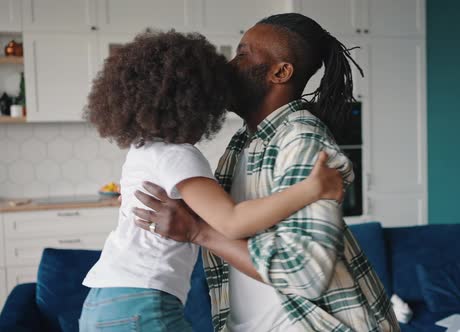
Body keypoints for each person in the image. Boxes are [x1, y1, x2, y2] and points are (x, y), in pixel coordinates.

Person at [134, 13, 400, 332]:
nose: (230, 65)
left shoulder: (302, 142)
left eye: (243, 54)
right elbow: (238, 222)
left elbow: (305, 274)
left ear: (280, 72)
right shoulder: (242, 144)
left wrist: (198, 231)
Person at [78, 31, 344, 331]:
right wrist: (311, 189)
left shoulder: (143, 149)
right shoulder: (179, 155)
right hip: (142, 302)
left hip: (104, 301)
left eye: (242, 55)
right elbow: (231, 222)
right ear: (199, 102)